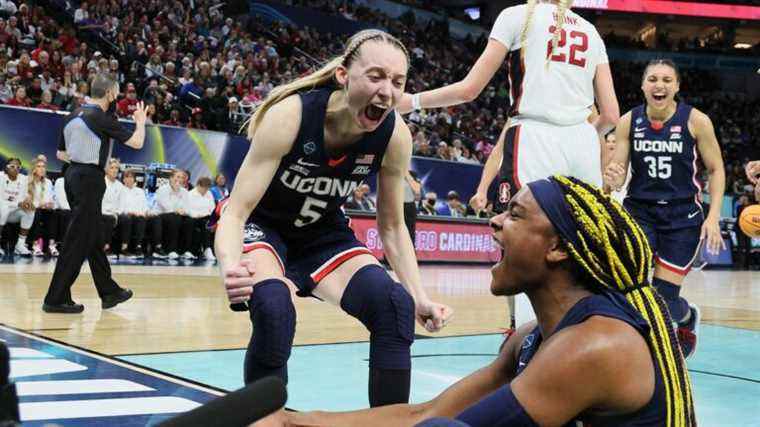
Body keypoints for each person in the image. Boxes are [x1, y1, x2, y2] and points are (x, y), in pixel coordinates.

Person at [277, 176, 695, 427]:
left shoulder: (593, 347)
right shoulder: (534, 335)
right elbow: (423, 414)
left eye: (515, 215)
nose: (494, 220)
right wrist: (293, 421)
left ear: (557, 248)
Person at [214, 29, 452, 407]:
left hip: (322, 233)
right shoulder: (292, 114)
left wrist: (419, 294)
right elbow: (236, 211)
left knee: (395, 306)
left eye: (397, 82)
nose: (387, 91)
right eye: (375, 76)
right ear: (343, 75)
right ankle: (263, 419)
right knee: (275, 308)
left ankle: (389, 421)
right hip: (264, 226)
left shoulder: (394, 136)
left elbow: (391, 227)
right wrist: (230, 266)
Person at [404, 0, 619, 210]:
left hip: (534, 137)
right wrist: (579, 135)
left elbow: (468, 90)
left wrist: (413, 100)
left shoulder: (517, 15)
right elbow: (610, 115)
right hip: (583, 144)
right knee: (582, 239)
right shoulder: (592, 32)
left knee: (522, 236)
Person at [604, 59, 726, 359]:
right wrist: (612, 177)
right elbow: (618, 170)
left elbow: (716, 169)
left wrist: (712, 217)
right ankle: (630, 347)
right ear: (643, 85)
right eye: (654, 79)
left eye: (667, 80)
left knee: (663, 299)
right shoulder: (629, 120)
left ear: (677, 87)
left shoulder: (696, 121)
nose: (660, 85)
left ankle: (685, 318)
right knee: (627, 285)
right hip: (640, 211)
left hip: (682, 219)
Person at [43, 73, 148, 313]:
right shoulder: (100, 117)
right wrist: (141, 121)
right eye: (116, 92)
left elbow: (60, 154)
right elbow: (137, 143)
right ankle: (55, 298)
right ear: (110, 93)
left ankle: (109, 291)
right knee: (77, 240)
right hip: (89, 179)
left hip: (70, 175)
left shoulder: (72, 114)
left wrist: (79, 162)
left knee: (89, 235)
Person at [0, 158, 33, 256]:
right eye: (12, 166)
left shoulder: (23, 179)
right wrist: (18, 203)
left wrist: (27, 201)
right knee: (4, 208)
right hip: (1, 211)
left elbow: (25, 197)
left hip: (14, 213)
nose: (15, 169)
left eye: (18, 167)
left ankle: (20, 245)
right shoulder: (1, 177)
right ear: (6, 168)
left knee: (30, 210)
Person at [117, 169, 149, 258]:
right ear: (123, 179)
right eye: (127, 177)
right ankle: (124, 247)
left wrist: (143, 213)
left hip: (138, 215)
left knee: (141, 219)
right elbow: (120, 207)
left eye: (131, 177)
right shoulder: (120, 190)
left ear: (135, 179)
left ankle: (138, 247)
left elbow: (145, 206)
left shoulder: (140, 191)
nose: (129, 179)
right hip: (125, 215)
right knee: (127, 219)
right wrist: (131, 212)